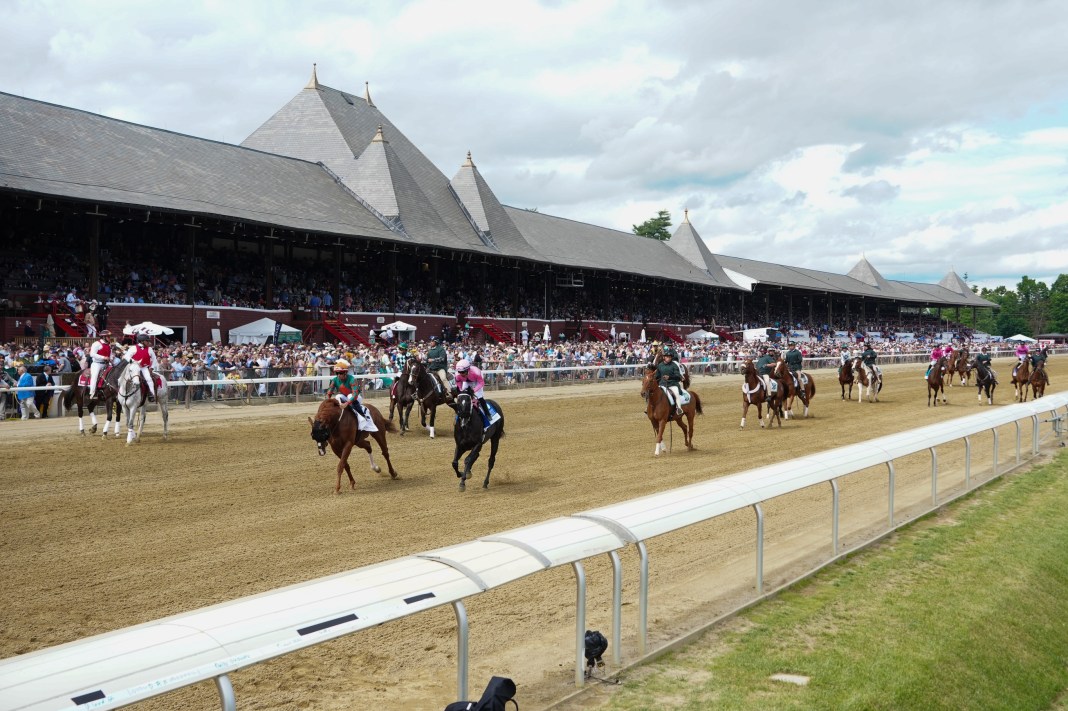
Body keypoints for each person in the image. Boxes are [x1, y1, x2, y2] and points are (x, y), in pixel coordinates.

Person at [326, 358, 376, 429]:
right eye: (337, 373)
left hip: (355, 398)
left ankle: (362, 416)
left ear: (345, 373)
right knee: (337, 396)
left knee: (350, 395)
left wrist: (346, 403)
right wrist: (328, 401)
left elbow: (355, 395)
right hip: (345, 397)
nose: (338, 375)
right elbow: (329, 393)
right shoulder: (334, 380)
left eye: (340, 373)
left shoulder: (352, 379)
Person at [454, 358, 493, 424]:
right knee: (462, 398)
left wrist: (474, 390)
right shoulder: (457, 375)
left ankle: (487, 413)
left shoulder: (476, 372)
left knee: (479, 397)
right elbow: (458, 383)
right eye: (459, 372)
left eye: (463, 372)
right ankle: (459, 415)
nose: (461, 374)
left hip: (477, 382)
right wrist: (461, 390)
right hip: (466, 381)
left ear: (468, 369)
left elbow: (481, 383)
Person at [124, 333, 158, 401]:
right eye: (147, 341)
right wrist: (133, 361)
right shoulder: (133, 348)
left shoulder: (150, 349)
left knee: (149, 379)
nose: (149, 342)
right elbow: (126, 356)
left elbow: (154, 359)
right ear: (142, 341)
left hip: (144, 368)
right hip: (134, 367)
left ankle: (152, 394)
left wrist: (151, 368)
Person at [656, 347, 686, 415]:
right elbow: (657, 376)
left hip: (673, 384)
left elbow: (678, 376)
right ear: (664, 357)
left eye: (670, 357)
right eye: (667, 357)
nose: (668, 358)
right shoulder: (660, 365)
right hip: (662, 384)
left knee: (676, 394)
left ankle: (679, 408)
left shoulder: (674, 365)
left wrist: (669, 377)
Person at [88, 330, 113, 400]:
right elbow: (92, 354)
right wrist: (103, 357)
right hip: (97, 364)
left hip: (107, 364)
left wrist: (111, 358)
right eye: (108, 336)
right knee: (95, 376)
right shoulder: (96, 344)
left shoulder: (108, 344)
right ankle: (92, 393)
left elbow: (110, 354)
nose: (109, 338)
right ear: (103, 337)